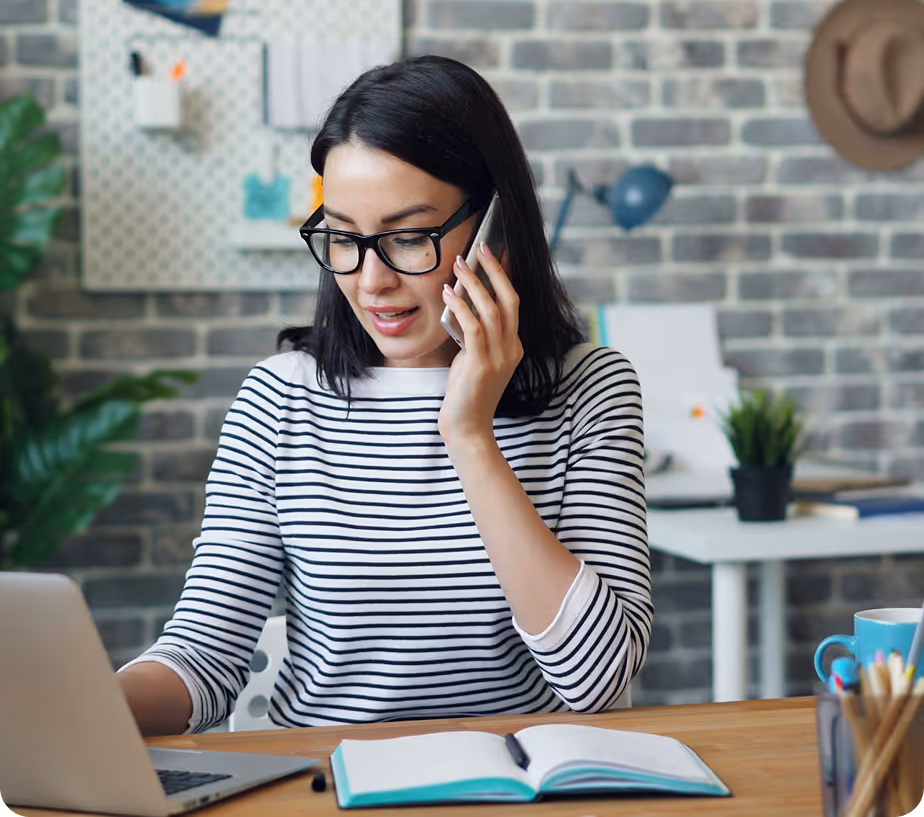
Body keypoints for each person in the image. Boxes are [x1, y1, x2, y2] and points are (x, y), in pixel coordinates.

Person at [118, 55, 652, 735]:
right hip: (323, 788)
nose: (370, 281)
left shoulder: (590, 390)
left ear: (496, 226)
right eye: (343, 237)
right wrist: (87, 710)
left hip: (517, 792)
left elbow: (598, 680)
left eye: (406, 238)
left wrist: (469, 435)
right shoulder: (279, 400)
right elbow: (203, 656)